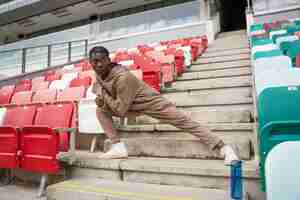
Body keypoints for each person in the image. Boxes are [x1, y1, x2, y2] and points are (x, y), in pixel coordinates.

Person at [90, 46, 239, 166]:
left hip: (151, 103)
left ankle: (225, 148)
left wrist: (103, 94)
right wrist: (102, 101)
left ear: (108, 59)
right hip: (131, 106)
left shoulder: (123, 77)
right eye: (94, 62)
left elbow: (119, 110)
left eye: (101, 60)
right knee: (100, 110)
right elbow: (110, 99)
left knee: (185, 121)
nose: (98, 65)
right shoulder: (99, 75)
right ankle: (118, 147)